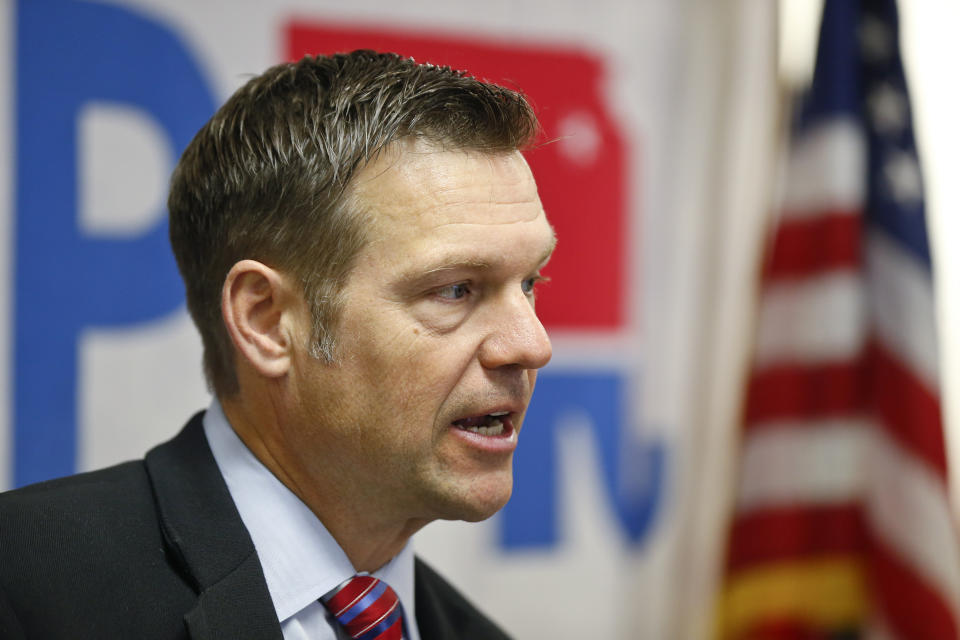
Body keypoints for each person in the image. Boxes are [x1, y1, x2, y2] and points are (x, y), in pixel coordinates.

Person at [0, 50, 555, 639]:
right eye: (456, 290)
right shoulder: (24, 587)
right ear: (265, 321)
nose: (532, 344)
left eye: (529, 283)